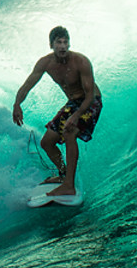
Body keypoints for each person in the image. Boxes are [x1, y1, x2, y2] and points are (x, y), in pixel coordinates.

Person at [12, 25, 102, 198]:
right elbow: (27, 85)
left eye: (65, 42)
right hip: (73, 102)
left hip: (91, 102)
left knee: (69, 132)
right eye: (58, 42)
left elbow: (89, 96)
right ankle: (63, 174)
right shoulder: (45, 63)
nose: (62, 46)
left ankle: (69, 185)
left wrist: (75, 117)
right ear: (51, 45)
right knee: (46, 142)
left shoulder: (81, 62)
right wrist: (17, 104)